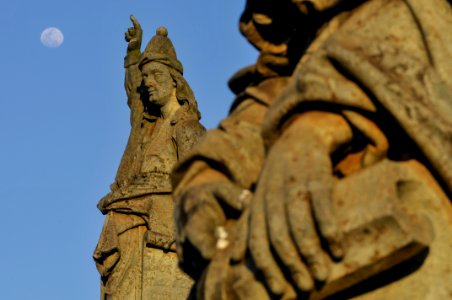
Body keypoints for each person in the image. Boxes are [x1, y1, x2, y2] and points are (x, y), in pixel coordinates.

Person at [172, 0, 452, 299]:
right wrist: (206, 183)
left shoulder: (413, 12)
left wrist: (317, 125)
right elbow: (271, 99)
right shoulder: (298, 46)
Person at [93, 16, 205, 300]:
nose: (149, 82)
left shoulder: (187, 128)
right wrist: (133, 55)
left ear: (175, 82)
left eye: (156, 76)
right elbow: (136, 96)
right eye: (146, 77)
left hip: (162, 229)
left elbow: (198, 187)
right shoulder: (146, 129)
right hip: (132, 229)